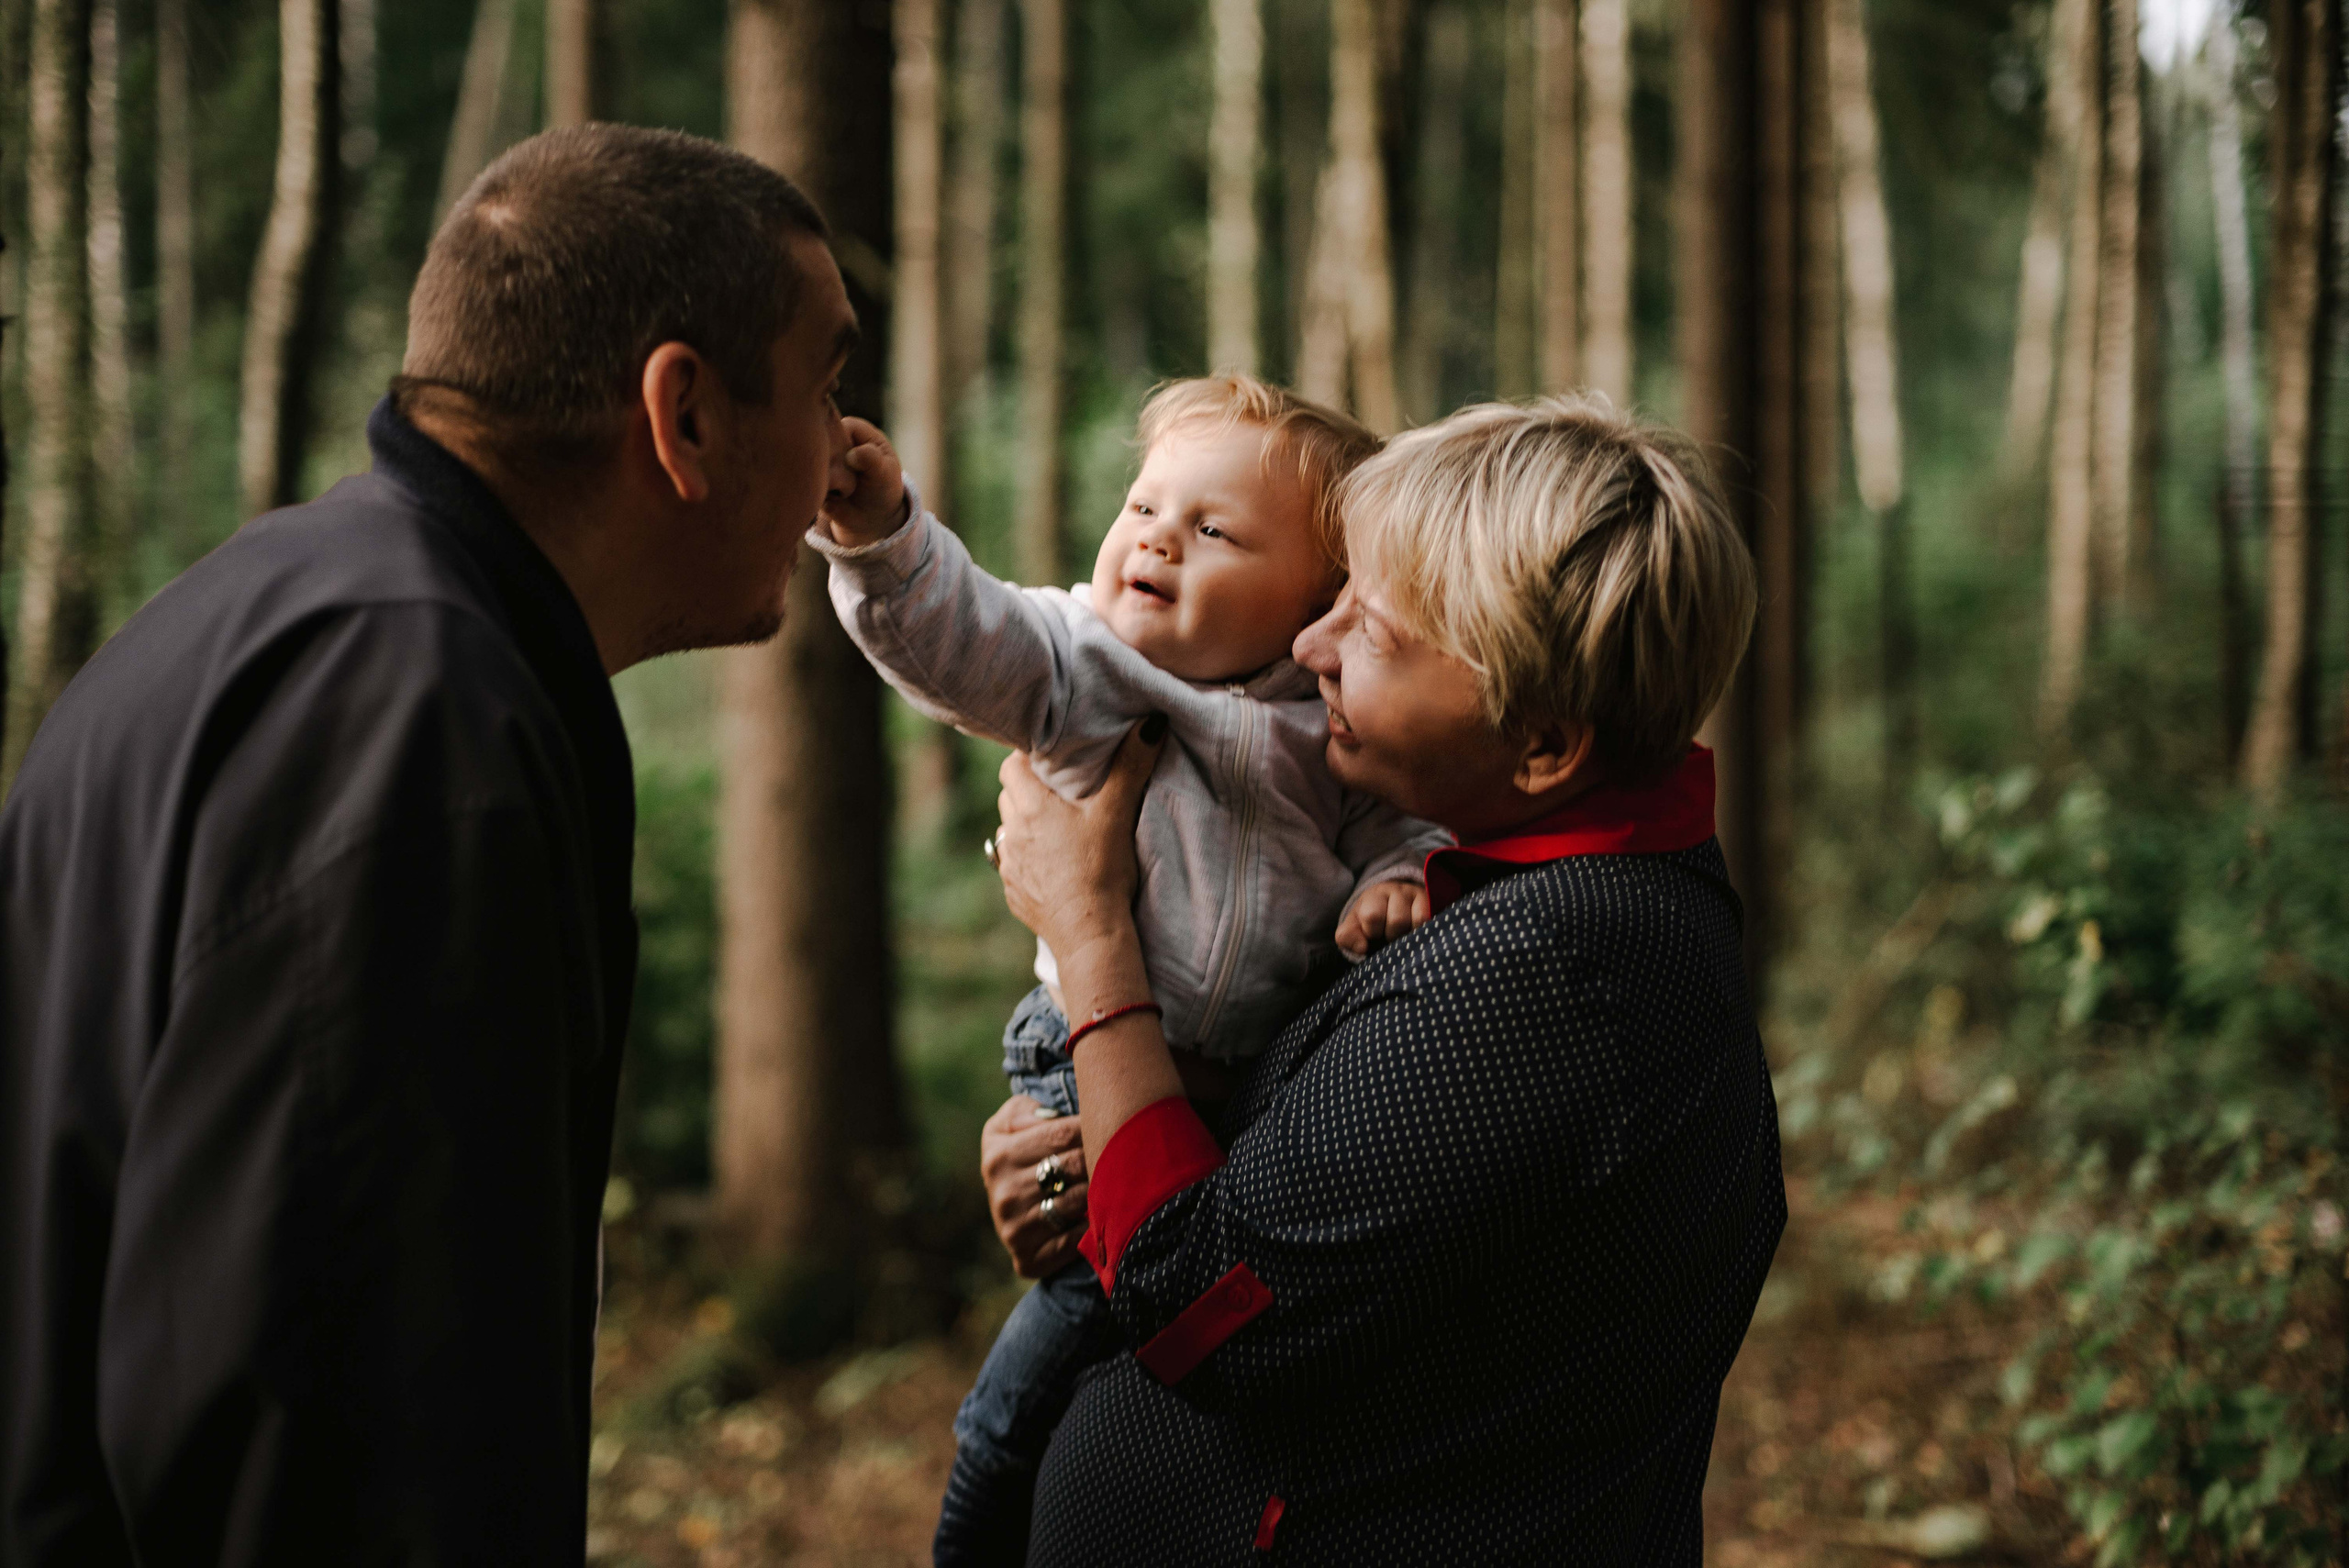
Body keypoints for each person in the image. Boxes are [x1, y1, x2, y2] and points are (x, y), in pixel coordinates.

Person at [0, 125, 859, 1564]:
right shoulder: (414, 725)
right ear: (685, 415)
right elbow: (324, 1424)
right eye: (828, 383)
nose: (844, 446)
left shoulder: (273, 608)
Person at [982, 397, 1787, 1562]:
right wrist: (1079, 1149)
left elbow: (1204, 1308)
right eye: (1331, 598)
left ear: (1543, 743)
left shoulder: (1544, 977)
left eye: (1370, 630)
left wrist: (1091, 931)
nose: (1309, 651)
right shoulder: (1540, 891)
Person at [808, 373, 1450, 1561]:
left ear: (1319, 597)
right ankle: (981, 1523)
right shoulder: (1085, 667)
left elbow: (1399, 835)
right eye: (1144, 504)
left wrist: (1387, 889)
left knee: (1166, 1352)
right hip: (1080, 1058)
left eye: (1214, 530)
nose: (1155, 534)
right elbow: (962, 635)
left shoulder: (1331, 729)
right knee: (1061, 1347)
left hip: (1243, 1086)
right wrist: (883, 540)